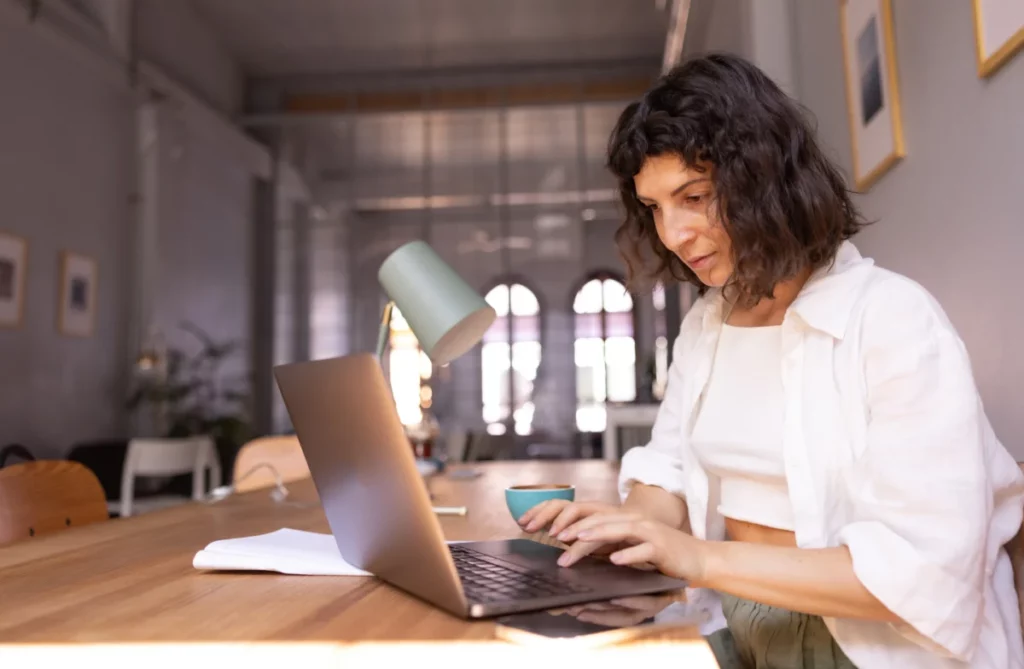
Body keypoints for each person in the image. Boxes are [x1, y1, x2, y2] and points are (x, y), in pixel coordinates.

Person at [518, 53, 1024, 669]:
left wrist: (693, 557)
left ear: (764, 178)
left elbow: (920, 574)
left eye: (694, 196)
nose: (673, 233)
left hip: (868, 645)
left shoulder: (893, 319)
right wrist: (631, 533)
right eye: (654, 207)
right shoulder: (709, 323)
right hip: (734, 618)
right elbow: (669, 468)